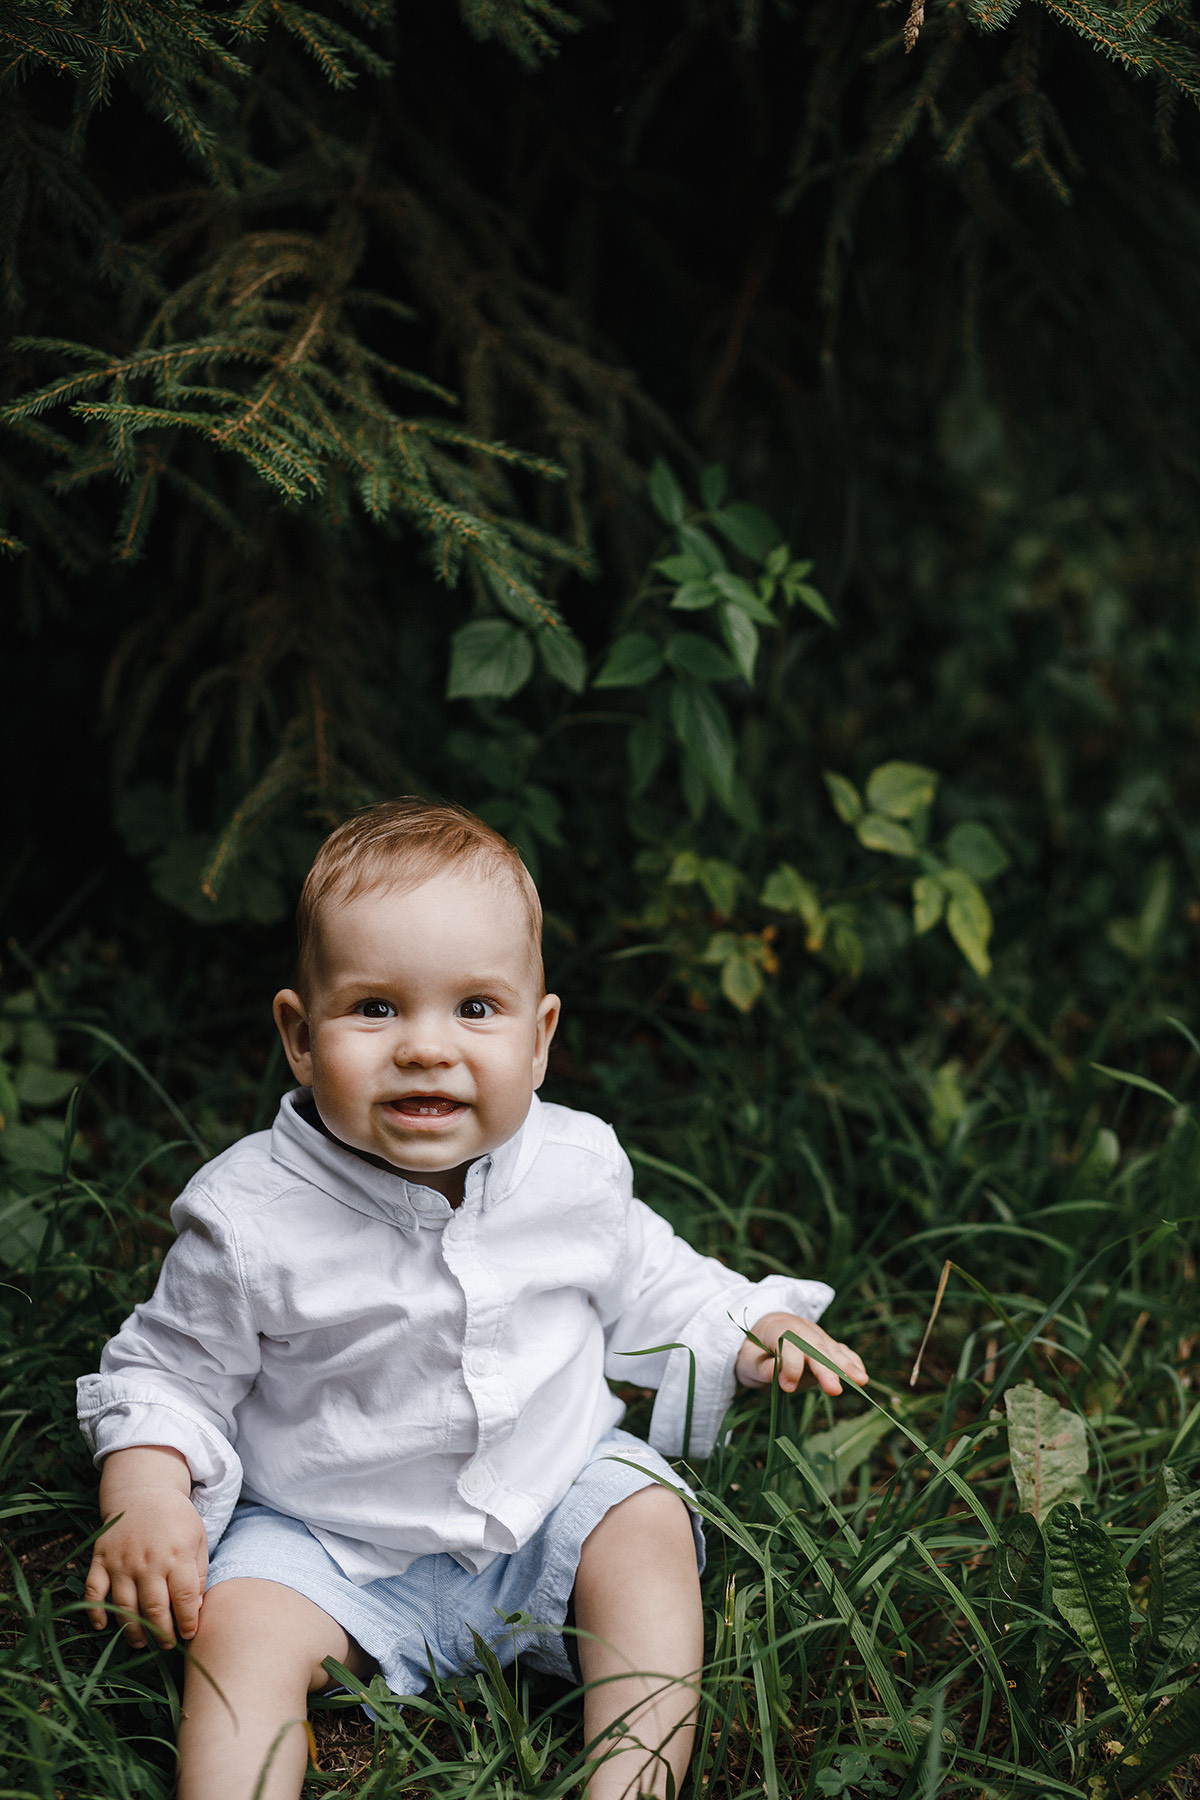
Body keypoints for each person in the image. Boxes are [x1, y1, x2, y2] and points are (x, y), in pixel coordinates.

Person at [77, 799, 867, 1800]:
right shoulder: (249, 1218)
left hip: (548, 1493)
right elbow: (167, 1373)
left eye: (476, 1010)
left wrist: (748, 1325)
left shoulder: (575, 1166)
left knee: (648, 1526)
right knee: (238, 1635)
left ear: (539, 1040)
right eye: (374, 1008)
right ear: (299, 1034)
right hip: (329, 1537)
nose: (425, 1047)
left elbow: (648, 1277)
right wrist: (147, 1495)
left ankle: (630, 1781)